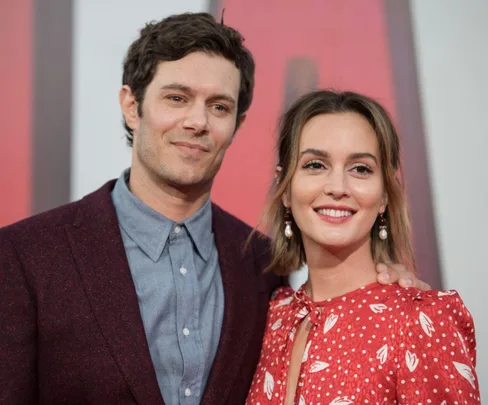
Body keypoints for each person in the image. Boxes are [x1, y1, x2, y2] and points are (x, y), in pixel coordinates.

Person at [0, 13, 425, 405]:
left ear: (237, 124)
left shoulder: (261, 262)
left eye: (219, 106)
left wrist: (391, 291)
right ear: (132, 107)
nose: (197, 122)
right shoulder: (28, 256)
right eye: (177, 98)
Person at [246, 90, 480, 404]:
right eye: (315, 165)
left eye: (361, 169)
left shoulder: (420, 320)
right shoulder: (273, 314)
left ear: (384, 195)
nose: (337, 187)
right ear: (285, 188)